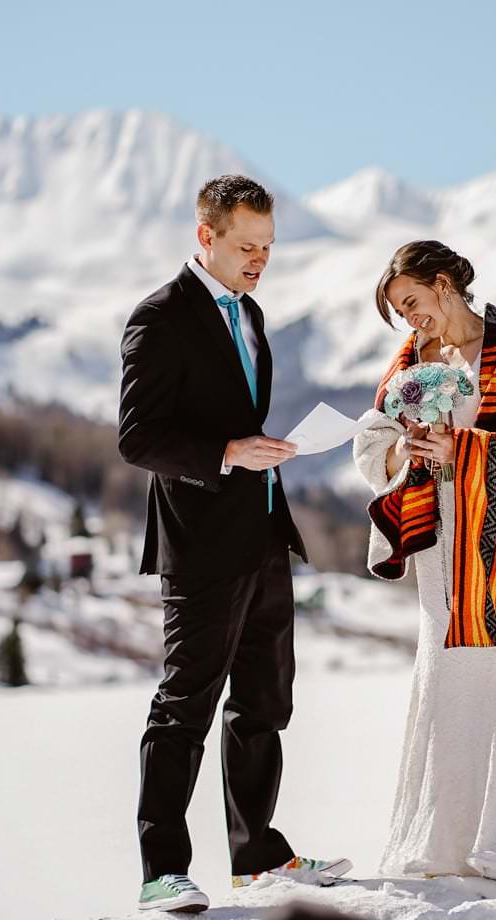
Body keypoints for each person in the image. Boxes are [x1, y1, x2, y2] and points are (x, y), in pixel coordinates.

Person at [118, 174, 349, 912]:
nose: (259, 260)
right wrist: (226, 452)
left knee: (263, 701)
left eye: (268, 248)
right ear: (205, 236)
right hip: (200, 545)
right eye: (247, 246)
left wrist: (263, 454)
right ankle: (162, 870)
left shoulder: (250, 314)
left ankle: (257, 856)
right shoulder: (159, 318)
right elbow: (139, 437)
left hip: (262, 534)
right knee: (185, 703)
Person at [351, 239, 496, 884]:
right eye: (399, 312)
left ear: (446, 283)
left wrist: (468, 449)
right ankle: (445, 842)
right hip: (442, 546)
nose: (408, 321)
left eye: (412, 303)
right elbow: (372, 444)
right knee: (445, 671)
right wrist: (408, 454)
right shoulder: (412, 359)